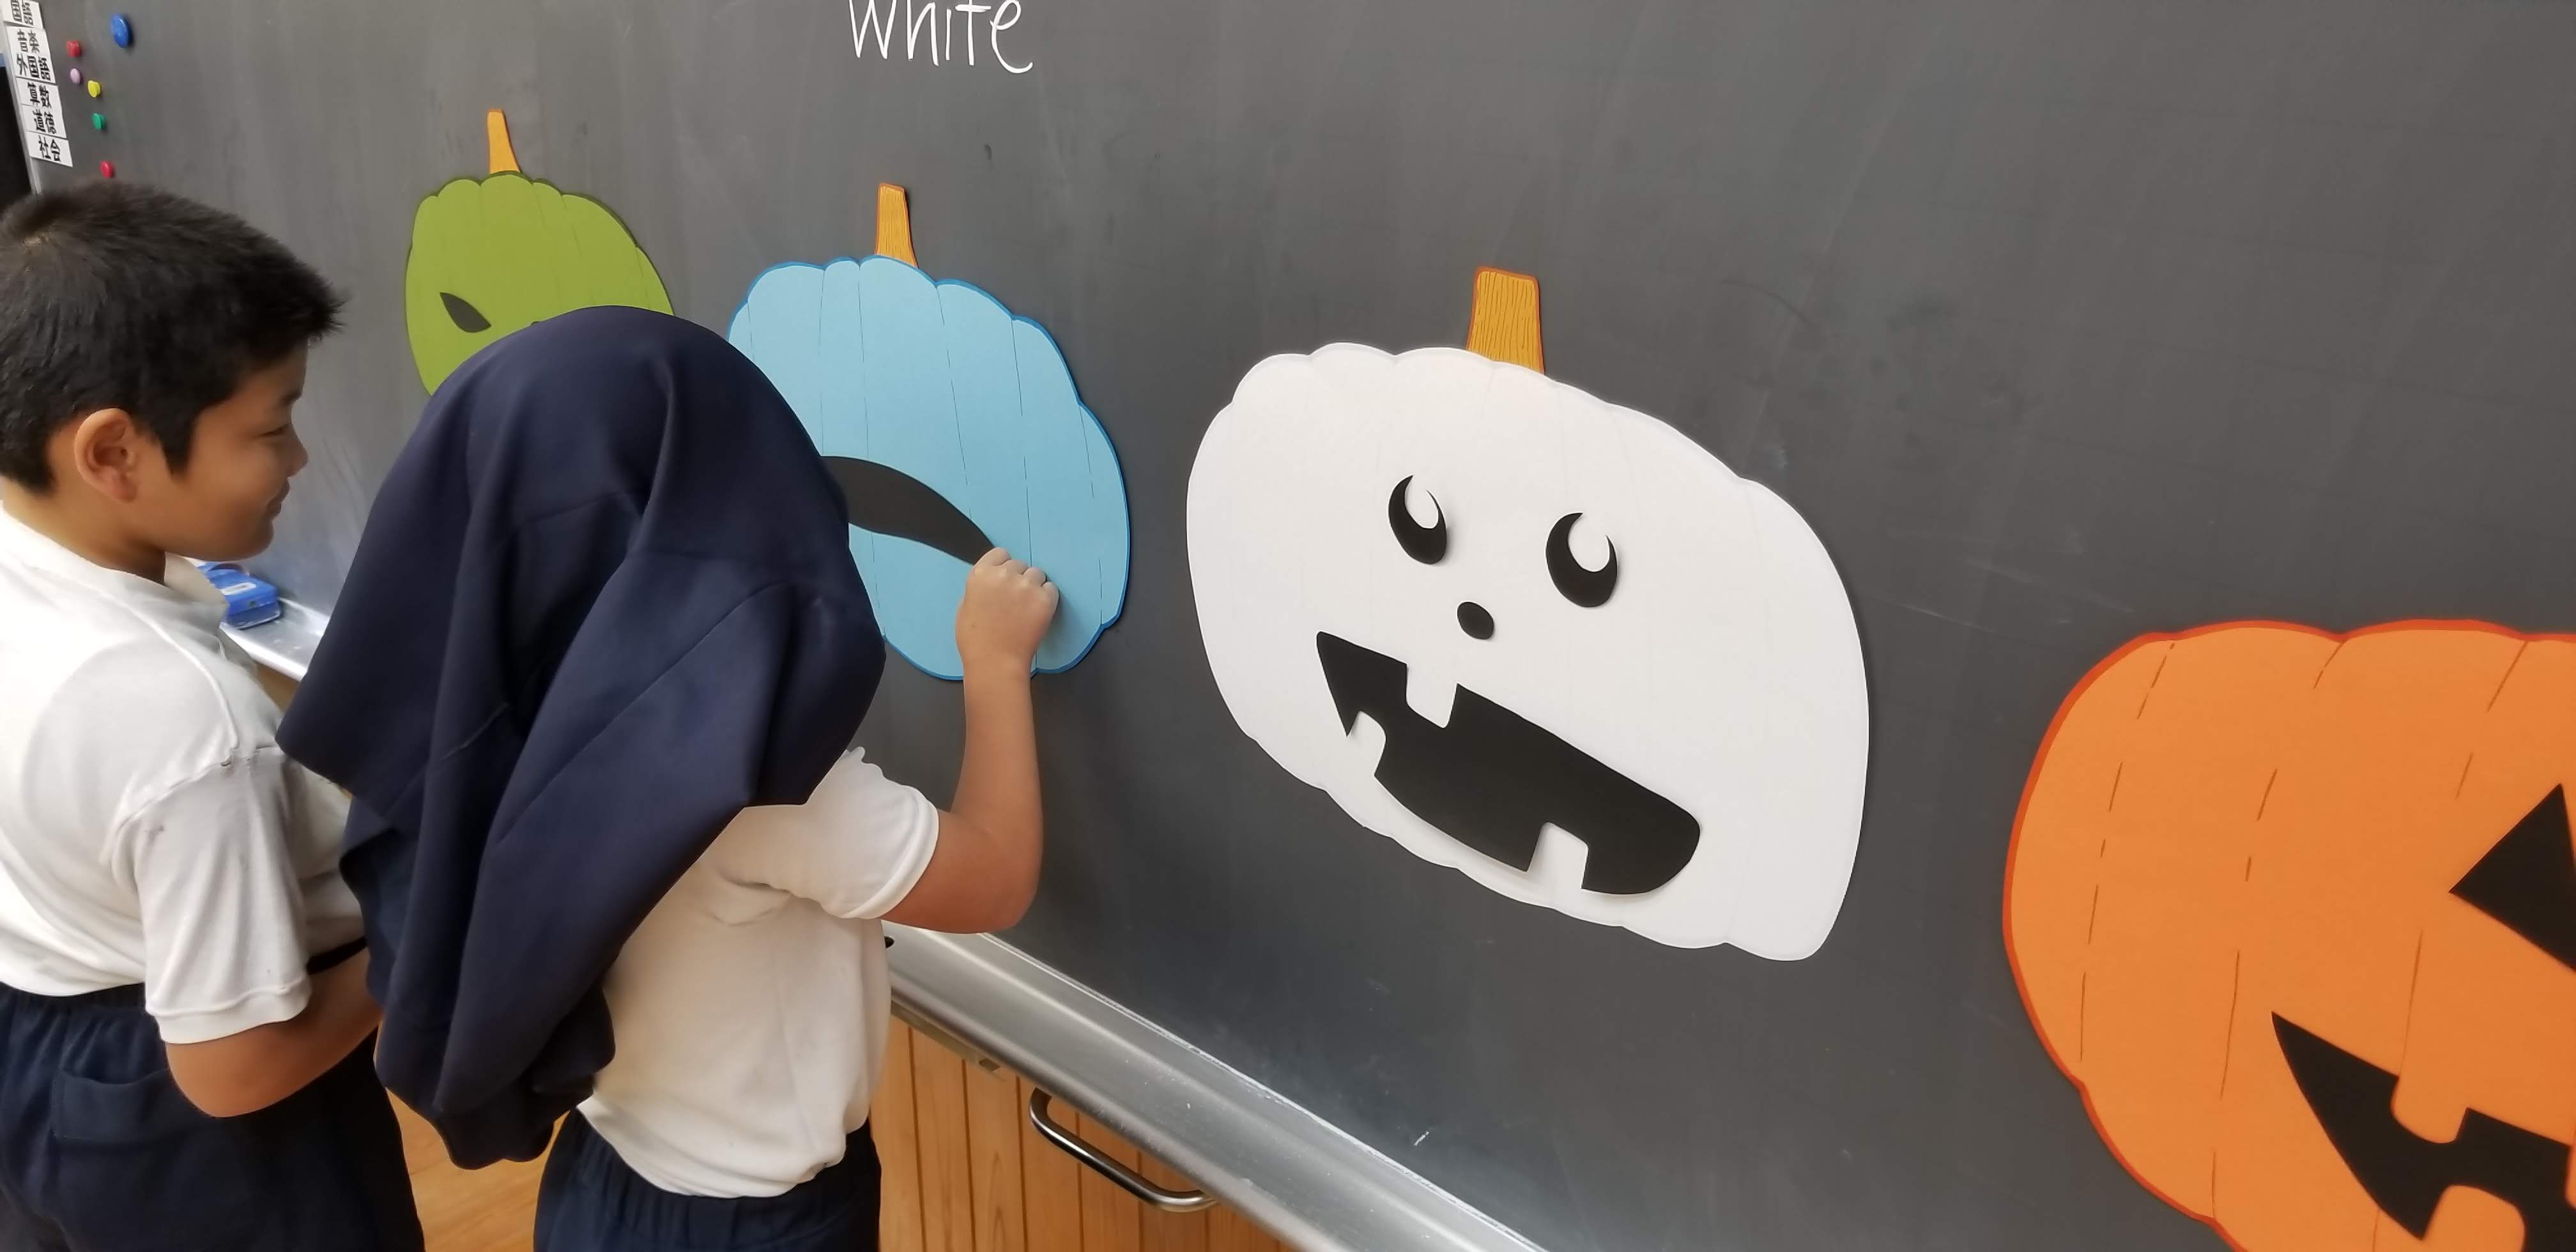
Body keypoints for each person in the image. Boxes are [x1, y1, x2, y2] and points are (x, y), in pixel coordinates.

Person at [0, 183, 422, 1249]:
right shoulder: (185, 726)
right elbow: (234, 1070)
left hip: (41, 1025)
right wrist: (424, 941)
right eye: (271, 428)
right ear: (112, 454)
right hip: (210, 1126)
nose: (298, 460)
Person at [535, 546, 1055, 1252]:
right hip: (754, 1222)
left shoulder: (546, 708)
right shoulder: (761, 778)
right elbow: (995, 880)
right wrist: (995, 659)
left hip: (597, 1173)